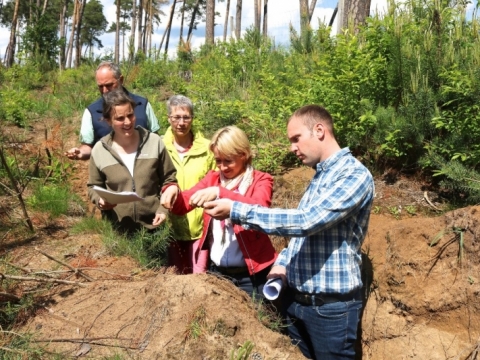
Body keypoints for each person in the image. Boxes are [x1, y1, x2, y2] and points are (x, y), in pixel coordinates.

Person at [202, 105, 374, 360]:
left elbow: (307, 221)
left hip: (330, 310)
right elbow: (302, 236)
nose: (292, 147)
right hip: (296, 303)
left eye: (296, 139)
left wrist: (236, 210)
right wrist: (283, 263)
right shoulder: (320, 176)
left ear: (319, 130)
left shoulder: (353, 175)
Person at [161, 126, 277, 299]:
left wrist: (220, 193)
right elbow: (184, 204)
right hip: (218, 274)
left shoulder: (261, 180)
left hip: (252, 274)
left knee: (257, 321)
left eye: (228, 161)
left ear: (243, 155)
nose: (222, 167)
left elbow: (259, 210)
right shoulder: (213, 179)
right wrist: (172, 190)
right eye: (218, 160)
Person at [87, 88, 178, 233]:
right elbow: (93, 186)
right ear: (108, 121)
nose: (128, 122)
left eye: (130, 115)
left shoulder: (154, 142)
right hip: (118, 233)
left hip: (155, 229)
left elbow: (170, 180)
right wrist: (100, 200)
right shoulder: (100, 150)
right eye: (120, 118)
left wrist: (163, 210)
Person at [163, 95, 216, 274]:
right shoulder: (159, 147)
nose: (181, 122)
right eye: (176, 117)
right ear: (168, 118)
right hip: (169, 226)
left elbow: (216, 182)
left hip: (200, 226)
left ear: (192, 118)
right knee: (175, 278)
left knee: (199, 279)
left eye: (186, 117)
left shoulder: (208, 148)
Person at [65, 61, 160, 160]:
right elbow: (87, 146)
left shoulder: (142, 104)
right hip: (110, 171)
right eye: (100, 86)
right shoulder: (91, 112)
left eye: (109, 85)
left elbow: (155, 138)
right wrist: (80, 153)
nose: (105, 91)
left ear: (121, 80)